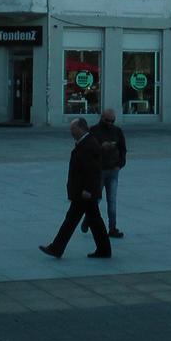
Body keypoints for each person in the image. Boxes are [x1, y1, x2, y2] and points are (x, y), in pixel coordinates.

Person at [40, 118, 111, 259]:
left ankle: (57, 248)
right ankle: (103, 249)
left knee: (73, 220)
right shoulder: (85, 142)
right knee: (93, 220)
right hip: (84, 191)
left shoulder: (89, 144)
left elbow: (93, 170)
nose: (71, 132)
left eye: (73, 129)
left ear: (81, 128)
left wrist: (88, 190)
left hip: (84, 192)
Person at [93, 108, 127, 238]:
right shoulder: (94, 130)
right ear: (102, 118)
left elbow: (123, 149)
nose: (110, 123)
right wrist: (101, 147)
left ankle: (112, 228)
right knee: (96, 198)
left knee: (112, 200)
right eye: (107, 120)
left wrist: (120, 164)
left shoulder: (117, 131)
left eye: (112, 121)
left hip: (113, 169)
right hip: (99, 169)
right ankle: (89, 220)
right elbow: (90, 149)